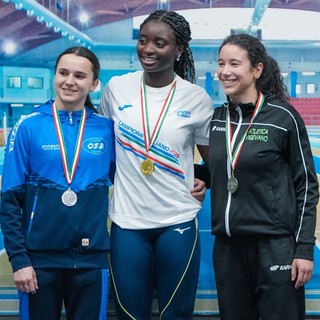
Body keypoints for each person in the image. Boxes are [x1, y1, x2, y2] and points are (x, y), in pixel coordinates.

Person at [99, 9, 213, 320]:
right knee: (129, 314)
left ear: (178, 50)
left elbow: (213, 160)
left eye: (160, 43)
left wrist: (201, 178)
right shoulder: (116, 89)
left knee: (174, 314)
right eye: (143, 40)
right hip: (127, 222)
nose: (148, 50)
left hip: (177, 218)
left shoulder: (196, 98)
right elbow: (101, 149)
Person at [196, 33, 319, 319]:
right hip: (228, 248)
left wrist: (303, 249)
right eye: (221, 63)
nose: (225, 71)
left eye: (235, 64)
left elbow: (307, 186)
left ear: (257, 69)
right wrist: (204, 176)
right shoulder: (216, 118)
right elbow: (230, 169)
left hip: (275, 246)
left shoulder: (282, 117)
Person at [0, 47, 115, 320]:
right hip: (39, 261)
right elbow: (9, 199)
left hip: (91, 259)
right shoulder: (28, 127)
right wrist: (19, 260)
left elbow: (132, 176)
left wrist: (196, 175)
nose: (69, 81)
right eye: (63, 73)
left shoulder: (106, 129)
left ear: (94, 83)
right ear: (54, 76)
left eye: (79, 75)